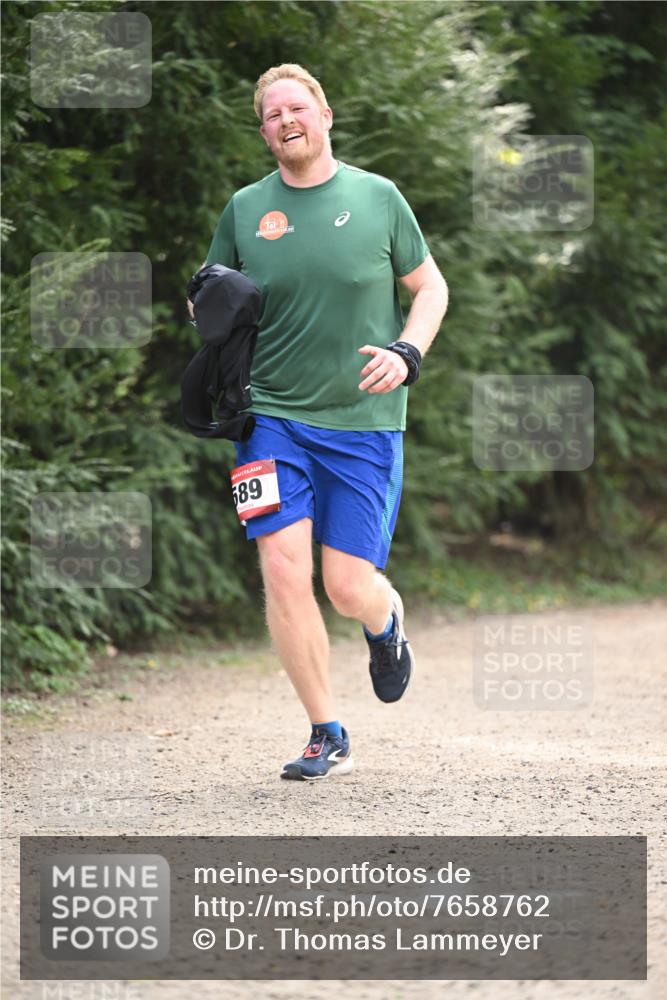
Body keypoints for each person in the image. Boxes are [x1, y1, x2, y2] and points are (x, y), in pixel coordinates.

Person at [191, 63, 448, 781]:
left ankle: (384, 624)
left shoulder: (377, 198)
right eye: (271, 115)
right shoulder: (245, 209)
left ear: (325, 115)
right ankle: (323, 729)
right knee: (279, 565)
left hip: (364, 420)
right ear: (264, 131)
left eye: (295, 108)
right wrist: (210, 308)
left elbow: (429, 287)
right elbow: (206, 296)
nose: (284, 121)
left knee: (345, 585)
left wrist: (407, 350)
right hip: (268, 418)